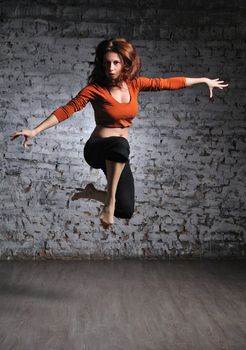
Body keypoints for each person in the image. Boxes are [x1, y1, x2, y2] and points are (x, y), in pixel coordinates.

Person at [10, 38, 229, 229]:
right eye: (107, 63)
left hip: (117, 157)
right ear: (102, 64)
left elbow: (168, 83)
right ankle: (110, 201)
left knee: (125, 210)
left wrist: (203, 80)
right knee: (120, 144)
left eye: (116, 62)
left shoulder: (134, 85)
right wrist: (35, 130)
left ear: (125, 63)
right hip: (97, 149)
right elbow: (68, 109)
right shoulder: (95, 89)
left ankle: (94, 194)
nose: (111, 68)